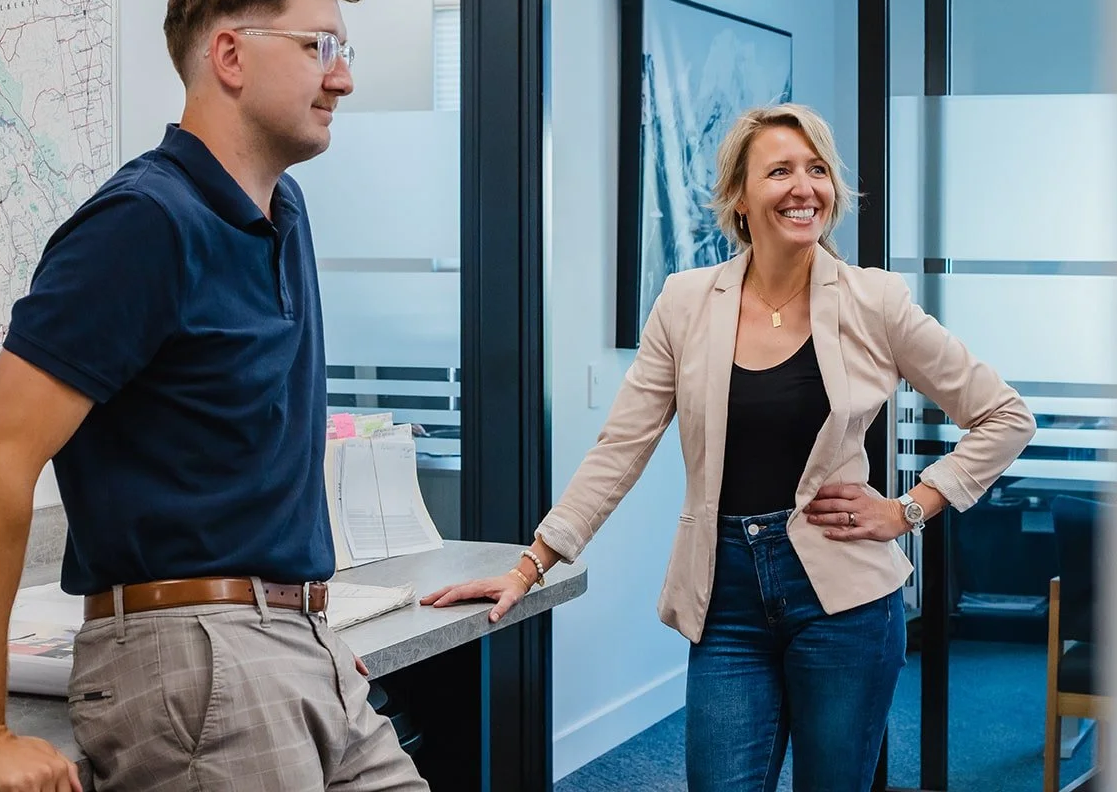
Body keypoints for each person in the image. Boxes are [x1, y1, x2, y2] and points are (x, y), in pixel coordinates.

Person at [0, 0, 429, 792]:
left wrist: (305, 635)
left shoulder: (285, 211)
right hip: (194, 656)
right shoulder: (142, 224)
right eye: (320, 48)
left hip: (298, 644)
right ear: (230, 55)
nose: (342, 77)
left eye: (343, 51)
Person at [424, 103, 1036, 791]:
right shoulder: (686, 303)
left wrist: (908, 510)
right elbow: (618, 448)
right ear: (740, 197)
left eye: (817, 171)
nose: (804, 188)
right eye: (780, 171)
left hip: (845, 599)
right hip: (726, 595)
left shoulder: (875, 301)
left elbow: (1004, 416)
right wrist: (533, 562)